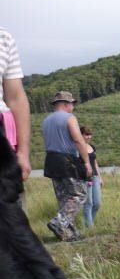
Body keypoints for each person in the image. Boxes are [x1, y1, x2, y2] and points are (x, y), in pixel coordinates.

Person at [42, 91, 91, 242]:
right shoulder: (69, 118)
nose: (73, 107)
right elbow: (78, 140)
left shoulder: (46, 121)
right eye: (72, 104)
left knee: (63, 198)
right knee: (79, 195)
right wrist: (86, 162)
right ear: (66, 104)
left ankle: (69, 233)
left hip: (51, 159)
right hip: (67, 160)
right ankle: (59, 221)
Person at [0, 0, 31, 188]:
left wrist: (23, 151)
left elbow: (16, 97)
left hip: (2, 143)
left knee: (9, 216)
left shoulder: (4, 39)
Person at [80, 126, 102, 227]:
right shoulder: (78, 147)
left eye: (90, 134)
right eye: (86, 134)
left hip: (95, 177)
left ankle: (88, 223)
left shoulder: (92, 147)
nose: (89, 137)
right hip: (85, 178)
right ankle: (89, 227)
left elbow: (95, 162)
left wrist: (100, 177)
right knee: (88, 203)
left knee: (97, 203)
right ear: (81, 135)